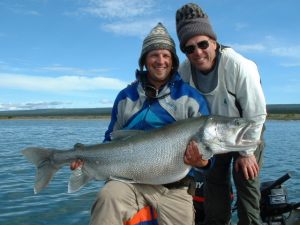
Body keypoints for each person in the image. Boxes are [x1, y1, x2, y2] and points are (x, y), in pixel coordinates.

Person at [71, 22, 211, 225]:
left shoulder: (191, 99)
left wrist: (202, 162)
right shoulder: (125, 97)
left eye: (166, 55)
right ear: (144, 60)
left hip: (176, 187)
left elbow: (209, 158)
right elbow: (109, 140)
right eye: (154, 55)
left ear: (172, 61)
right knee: (106, 198)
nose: (160, 60)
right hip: (128, 185)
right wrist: (85, 160)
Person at [175, 3, 267, 225]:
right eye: (189, 48)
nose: (197, 52)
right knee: (214, 186)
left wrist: (246, 152)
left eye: (203, 44)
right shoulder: (184, 71)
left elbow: (256, 114)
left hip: (245, 129)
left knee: (247, 183)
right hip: (209, 135)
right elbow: (176, 105)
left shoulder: (240, 66)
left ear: (214, 42)